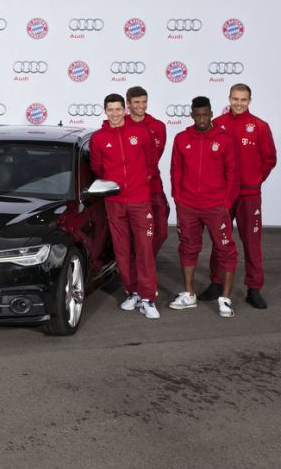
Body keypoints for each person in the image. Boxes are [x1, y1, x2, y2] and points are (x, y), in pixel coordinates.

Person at [89, 94, 160, 319]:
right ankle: (132, 292)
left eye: (118, 109)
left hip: (140, 200)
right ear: (105, 111)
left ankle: (148, 297)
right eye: (110, 109)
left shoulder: (141, 132)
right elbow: (97, 168)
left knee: (144, 249)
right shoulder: (98, 138)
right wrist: (115, 187)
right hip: (115, 202)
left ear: (125, 109)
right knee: (121, 250)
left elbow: (151, 162)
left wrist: (138, 184)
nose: (115, 113)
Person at [168, 96, 240, 318]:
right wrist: (178, 199)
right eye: (197, 115)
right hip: (188, 206)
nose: (201, 120)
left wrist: (226, 203)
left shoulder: (224, 139)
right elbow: (175, 170)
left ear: (211, 115)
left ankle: (225, 299)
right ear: (192, 115)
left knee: (226, 249)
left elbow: (233, 173)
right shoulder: (181, 138)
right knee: (188, 247)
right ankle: (189, 294)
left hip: (216, 206)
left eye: (205, 115)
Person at [208, 83, 276, 308]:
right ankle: (216, 283)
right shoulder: (217, 124)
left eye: (243, 100)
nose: (239, 103)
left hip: (249, 196)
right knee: (220, 240)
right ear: (229, 99)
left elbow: (269, 159)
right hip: (223, 195)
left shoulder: (260, 126)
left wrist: (255, 180)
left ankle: (253, 288)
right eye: (235, 99)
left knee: (252, 242)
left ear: (249, 101)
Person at [125, 86, 170, 258]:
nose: (141, 106)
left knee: (161, 232)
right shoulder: (121, 124)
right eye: (136, 102)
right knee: (133, 234)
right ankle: (139, 266)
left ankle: (144, 262)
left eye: (144, 102)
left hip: (153, 187)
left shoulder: (158, 126)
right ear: (128, 104)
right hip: (131, 190)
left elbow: (156, 156)